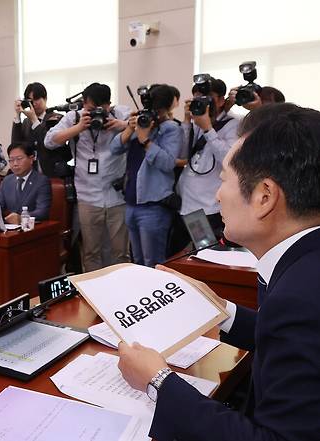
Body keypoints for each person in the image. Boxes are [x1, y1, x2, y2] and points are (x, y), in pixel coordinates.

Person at [118, 103, 320, 441]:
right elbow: (283, 338)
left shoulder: (300, 299)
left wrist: (157, 381)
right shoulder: (303, 262)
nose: (217, 194)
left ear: (264, 196)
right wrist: (218, 310)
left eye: (223, 179)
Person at [45, 82, 131, 271]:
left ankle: (123, 291)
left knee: (121, 252)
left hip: (117, 197)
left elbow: (144, 124)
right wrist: (78, 128)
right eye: (91, 109)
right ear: (84, 104)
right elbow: (49, 141)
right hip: (87, 196)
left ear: (109, 104)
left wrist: (121, 125)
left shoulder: (120, 113)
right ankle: (94, 292)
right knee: (91, 251)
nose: (97, 114)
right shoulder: (74, 117)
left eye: (102, 109)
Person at [110, 84, 183, 267]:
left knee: (154, 262)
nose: (153, 115)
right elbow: (114, 148)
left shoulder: (171, 129)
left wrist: (145, 140)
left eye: (156, 111)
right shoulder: (142, 124)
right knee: (137, 261)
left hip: (154, 206)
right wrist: (129, 128)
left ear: (166, 109)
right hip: (132, 204)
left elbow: (168, 163)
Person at [172, 77, 240, 252]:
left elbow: (229, 160)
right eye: (197, 99)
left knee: (203, 257)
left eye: (206, 98)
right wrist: (187, 122)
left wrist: (209, 129)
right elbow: (181, 154)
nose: (201, 104)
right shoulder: (195, 123)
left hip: (205, 208)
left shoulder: (232, 125)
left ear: (220, 100)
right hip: (185, 204)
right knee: (176, 257)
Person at [11, 82, 71, 177]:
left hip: (53, 172)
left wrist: (34, 120)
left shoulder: (57, 118)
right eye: (30, 100)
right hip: (31, 174)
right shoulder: (27, 121)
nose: (34, 103)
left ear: (45, 98)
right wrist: (18, 115)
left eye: (37, 99)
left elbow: (47, 142)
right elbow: (16, 145)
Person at [0, 143, 52, 223]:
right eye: (11, 160)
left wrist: (22, 218)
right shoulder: (7, 180)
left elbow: (42, 212)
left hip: (32, 228)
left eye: (19, 159)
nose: (15, 164)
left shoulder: (42, 181)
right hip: (10, 229)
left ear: (31, 159)